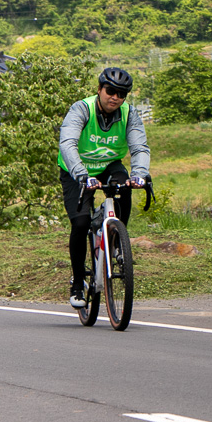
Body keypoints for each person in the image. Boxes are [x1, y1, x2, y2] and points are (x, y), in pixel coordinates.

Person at [58, 66, 151, 309]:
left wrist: (140, 174)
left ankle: (118, 242)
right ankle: (78, 283)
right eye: (110, 91)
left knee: (126, 184)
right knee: (80, 223)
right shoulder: (81, 109)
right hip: (76, 170)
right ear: (99, 89)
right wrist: (82, 175)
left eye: (121, 94)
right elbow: (67, 143)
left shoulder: (129, 114)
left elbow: (139, 148)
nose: (115, 97)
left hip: (110, 165)